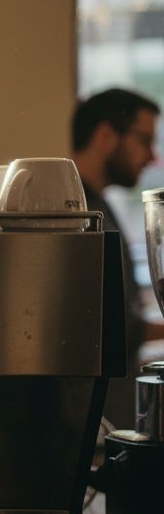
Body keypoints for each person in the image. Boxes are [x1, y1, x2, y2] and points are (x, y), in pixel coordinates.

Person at [71, 87, 164, 428]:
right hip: (97, 419)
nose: (152, 156)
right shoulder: (79, 215)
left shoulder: (97, 205)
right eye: (145, 140)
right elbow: (109, 327)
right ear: (106, 134)